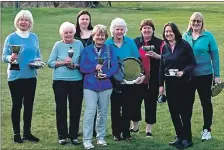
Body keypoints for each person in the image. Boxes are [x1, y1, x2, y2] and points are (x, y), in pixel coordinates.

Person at [2, 10, 41, 143]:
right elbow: (4, 57)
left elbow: (38, 54)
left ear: (30, 22)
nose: (23, 22)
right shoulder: (11, 38)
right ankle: (16, 133)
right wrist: (10, 57)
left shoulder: (34, 37)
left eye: (26, 20)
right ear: (17, 21)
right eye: (21, 19)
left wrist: (37, 62)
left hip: (31, 75)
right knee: (17, 105)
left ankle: (27, 133)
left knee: (29, 105)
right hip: (16, 76)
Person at [182, 12, 221, 141]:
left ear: (202, 22)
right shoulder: (185, 36)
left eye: (198, 21)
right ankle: (186, 130)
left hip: (205, 75)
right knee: (187, 103)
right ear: (190, 21)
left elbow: (215, 56)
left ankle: (207, 130)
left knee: (206, 103)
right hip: (189, 76)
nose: (196, 23)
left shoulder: (208, 36)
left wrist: (217, 75)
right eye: (193, 21)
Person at [105, 17, 145, 141]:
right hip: (113, 79)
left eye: (122, 29)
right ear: (113, 30)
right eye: (117, 29)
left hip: (128, 79)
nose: (119, 32)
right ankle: (116, 133)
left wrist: (141, 74)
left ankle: (126, 133)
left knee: (127, 106)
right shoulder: (107, 44)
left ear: (125, 30)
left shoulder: (130, 42)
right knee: (115, 107)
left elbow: (138, 60)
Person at [80, 24, 118, 149]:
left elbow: (115, 66)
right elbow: (82, 67)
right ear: (93, 36)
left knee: (103, 112)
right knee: (90, 112)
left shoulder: (110, 49)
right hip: (90, 86)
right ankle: (87, 139)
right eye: (98, 35)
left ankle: (100, 137)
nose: (100, 37)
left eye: (102, 35)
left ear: (106, 36)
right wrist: (93, 67)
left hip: (106, 85)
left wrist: (106, 74)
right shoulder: (86, 50)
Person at [159, 22, 196, 149]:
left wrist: (183, 72)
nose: (168, 34)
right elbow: (161, 67)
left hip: (184, 84)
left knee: (184, 113)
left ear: (175, 32)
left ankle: (188, 139)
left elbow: (192, 63)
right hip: (170, 85)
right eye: (166, 32)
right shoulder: (164, 47)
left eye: (170, 31)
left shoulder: (184, 45)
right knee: (174, 112)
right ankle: (179, 136)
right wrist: (161, 85)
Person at [47, 22, 84, 145]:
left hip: (76, 81)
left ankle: (74, 135)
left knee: (75, 108)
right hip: (60, 81)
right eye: (65, 32)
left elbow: (84, 63)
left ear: (74, 33)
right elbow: (50, 63)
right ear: (61, 34)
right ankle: (62, 135)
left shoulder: (79, 44)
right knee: (61, 108)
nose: (68, 34)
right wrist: (63, 62)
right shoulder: (58, 45)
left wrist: (76, 65)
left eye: (70, 32)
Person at [131, 19, 164, 138]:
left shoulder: (160, 43)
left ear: (153, 30)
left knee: (150, 104)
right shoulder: (135, 42)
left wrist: (157, 56)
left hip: (153, 80)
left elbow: (166, 59)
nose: (146, 30)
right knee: (134, 103)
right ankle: (134, 126)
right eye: (144, 27)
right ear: (141, 30)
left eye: (149, 27)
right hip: (137, 79)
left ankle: (148, 129)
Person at [74, 9, 97, 137]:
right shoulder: (74, 34)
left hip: (92, 73)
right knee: (76, 103)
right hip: (76, 73)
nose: (84, 21)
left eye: (86, 19)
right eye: (82, 19)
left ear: (89, 20)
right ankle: (75, 129)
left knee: (92, 103)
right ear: (78, 20)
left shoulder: (94, 33)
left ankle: (93, 129)